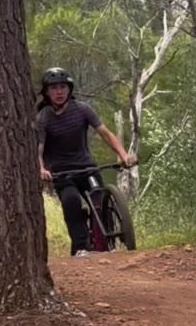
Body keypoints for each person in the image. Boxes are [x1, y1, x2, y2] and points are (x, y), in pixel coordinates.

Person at [36, 68, 135, 257]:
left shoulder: (82, 109)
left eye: (63, 87)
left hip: (87, 168)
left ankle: (106, 243)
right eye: (54, 88)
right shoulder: (44, 117)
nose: (59, 92)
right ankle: (81, 246)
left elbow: (105, 133)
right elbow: (38, 149)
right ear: (47, 92)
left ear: (69, 89)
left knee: (99, 197)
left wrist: (124, 155)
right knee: (71, 200)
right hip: (62, 173)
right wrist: (41, 168)